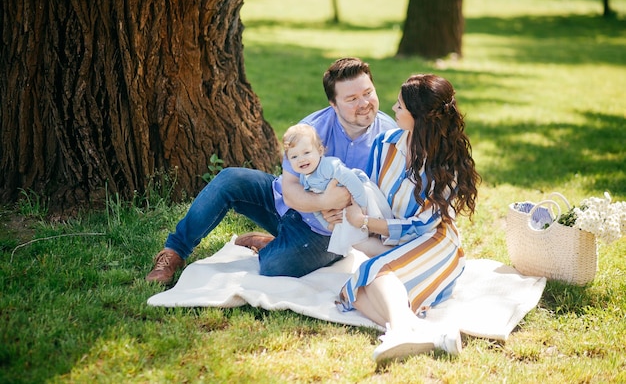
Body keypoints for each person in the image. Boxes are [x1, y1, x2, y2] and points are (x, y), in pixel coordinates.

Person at [145, 57, 396, 284]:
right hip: (285, 205)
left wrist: (345, 213)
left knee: (274, 266)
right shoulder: (310, 128)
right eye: (352, 99)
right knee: (229, 179)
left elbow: (383, 199)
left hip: (327, 230)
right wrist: (323, 200)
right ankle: (174, 252)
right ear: (333, 103)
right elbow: (289, 190)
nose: (364, 104)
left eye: (368, 93)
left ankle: (270, 244)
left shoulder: (391, 139)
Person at [337, 74, 481, 364]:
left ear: (419, 117)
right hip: (392, 239)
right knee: (355, 292)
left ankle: (401, 331)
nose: (392, 108)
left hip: (435, 242)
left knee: (374, 273)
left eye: (400, 107)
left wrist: (365, 224)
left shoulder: (446, 165)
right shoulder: (385, 144)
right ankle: (428, 335)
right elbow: (373, 192)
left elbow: (422, 226)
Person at [282, 123, 392, 256]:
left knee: (369, 235)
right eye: (294, 157)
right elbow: (316, 207)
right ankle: (386, 257)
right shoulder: (305, 179)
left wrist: (362, 206)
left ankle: (392, 255)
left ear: (320, 151)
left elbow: (352, 180)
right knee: (357, 240)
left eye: (306, 152)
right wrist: (326, 224)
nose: (301, 159)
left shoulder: (327, 166)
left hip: (362, 195)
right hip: (346, 208)